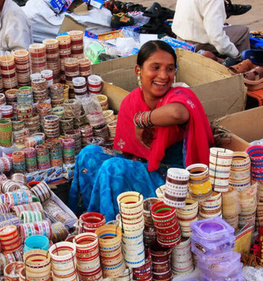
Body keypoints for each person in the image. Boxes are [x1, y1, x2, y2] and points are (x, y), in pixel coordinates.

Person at [68, 41, 214, 221]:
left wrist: (141, 120)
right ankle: (92, 215)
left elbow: (178, 113)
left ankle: (108, 228)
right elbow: (128, 152)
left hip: (171, 177)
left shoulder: (178, 96)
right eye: (155, 67)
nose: (163, 75)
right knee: (89, 154)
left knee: (113, 169)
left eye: (169, 69)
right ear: (138, 71)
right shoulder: (132, 101)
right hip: (143, 164)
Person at [171, 0, 250, 58]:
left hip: (180, 38)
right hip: (197, 44)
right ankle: (243, 63)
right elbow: (216, 37)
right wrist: (235, 54)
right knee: (243, 31)